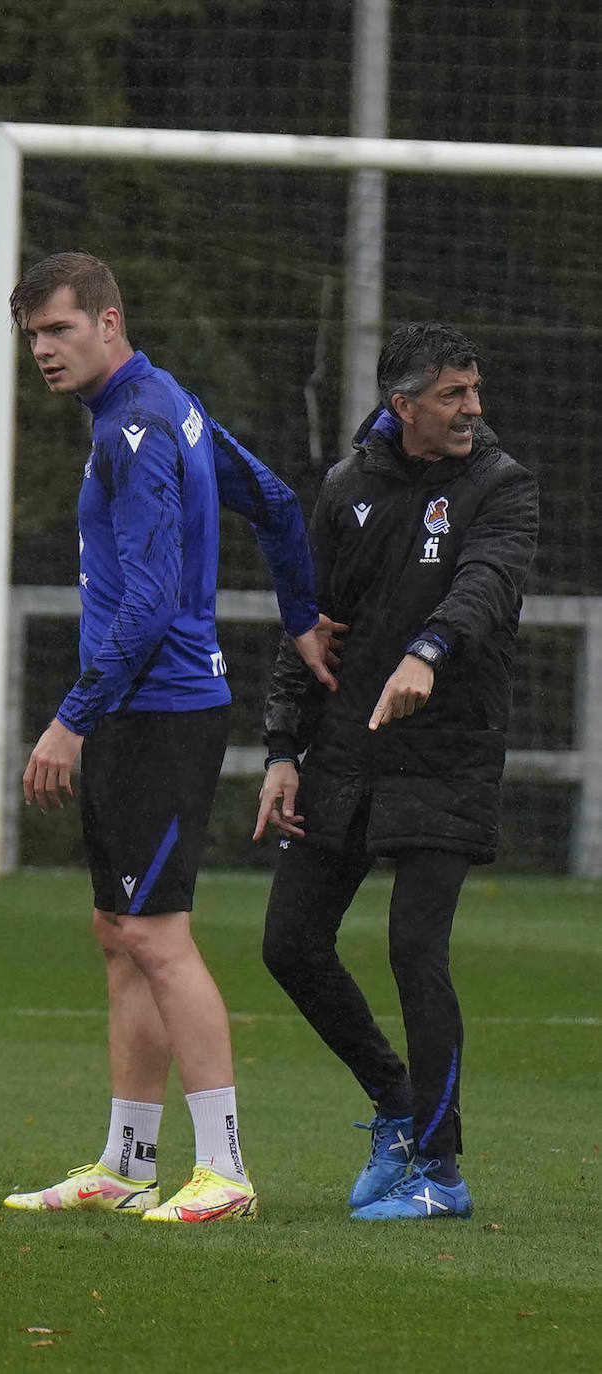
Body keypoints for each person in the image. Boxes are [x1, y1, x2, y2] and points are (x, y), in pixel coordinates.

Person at [0, 251, 344, 1223]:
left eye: (59, 330)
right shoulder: (158, 404)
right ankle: (125, 1161)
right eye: (32, 337)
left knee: (155, 937)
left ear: (110, 321)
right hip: (138, 709)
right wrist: (300, 617)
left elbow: (149, 605)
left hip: (159, 710)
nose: (43, 352)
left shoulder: (141, 426)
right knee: (118, 936)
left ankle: (224, 1171)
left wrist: (70, 718)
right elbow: (274, 502)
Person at [255, 322, 538, 1220]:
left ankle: (440, 1173)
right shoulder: (346, 490)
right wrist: (279, 750)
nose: (472, 409)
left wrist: (427, 650)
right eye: (453, 394)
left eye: (475, 391)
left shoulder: (500, 485)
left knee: (414, 945)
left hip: (447, 750)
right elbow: (312, 626)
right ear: (402, 402)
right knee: (288, 944)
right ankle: (394, 1101)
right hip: (346, 749)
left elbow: (486, 585)